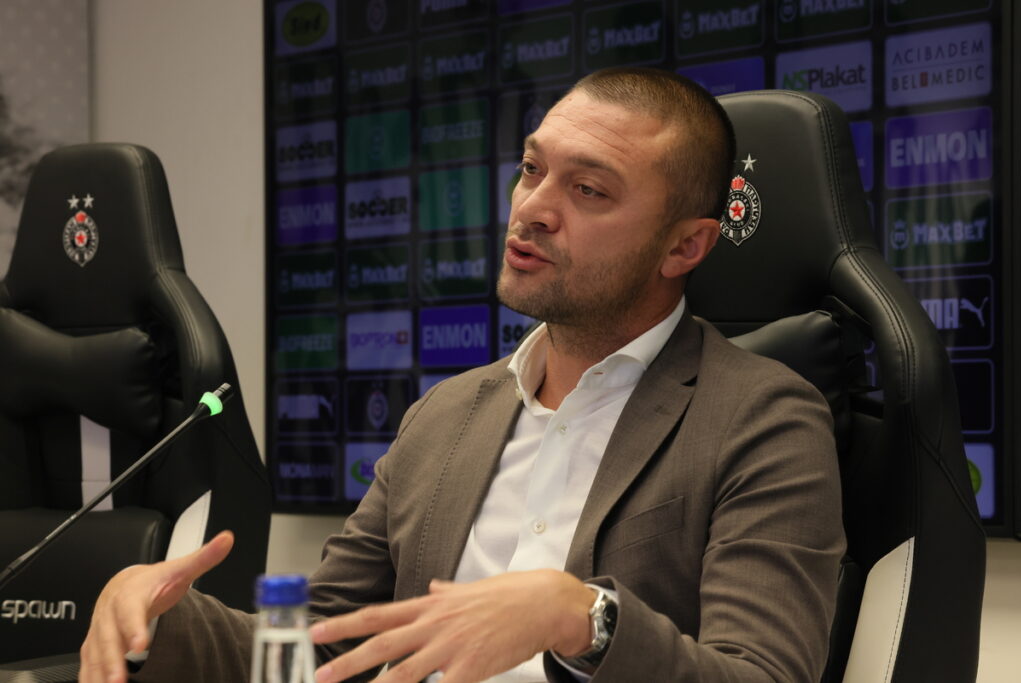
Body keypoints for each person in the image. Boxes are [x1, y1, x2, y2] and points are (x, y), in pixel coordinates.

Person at [79, 67, 844, 683]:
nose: (532, 209)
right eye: (532, 170)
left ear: (685, 247)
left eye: (588, 189)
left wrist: (583, 616)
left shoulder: (764, 419)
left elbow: (763, 673)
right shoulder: (445, 414)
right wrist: (151, 616)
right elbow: (324, 641)